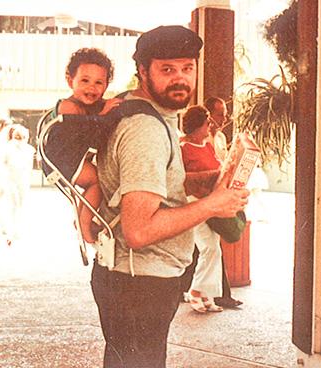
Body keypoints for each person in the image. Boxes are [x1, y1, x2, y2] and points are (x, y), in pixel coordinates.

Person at [91, 25, 250, 368]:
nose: (180, 79)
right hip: (139, 285)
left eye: (187, 68)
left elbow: (154, 184)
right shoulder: (146, 129)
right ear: (143, 71)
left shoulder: (147, 114)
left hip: (130, 281)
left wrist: (206, 180)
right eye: (167, 69)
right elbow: (139, 230)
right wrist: (212, 205)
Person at [56, 47, 121, 243]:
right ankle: (84, 224)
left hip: (71, 158)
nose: (91, 88)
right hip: (62, 159)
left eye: (99, 82)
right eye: (85, 81)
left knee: (93, 184)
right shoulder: (69, 106)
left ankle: (81, 219)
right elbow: (86, 133)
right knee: (97, 183)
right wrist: (104, 114)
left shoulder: (86, 105)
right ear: (70, 80)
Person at [180, 105, 224, 313]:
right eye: (207, 123)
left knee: (214, 246)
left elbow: (219, 168)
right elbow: (181, 179)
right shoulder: (183, 148)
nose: (210, 126)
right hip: (192, 202)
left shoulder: (207, 146)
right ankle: (196, 291)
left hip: (209, 200)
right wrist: (210, 175)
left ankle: (207, 293)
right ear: (197, 126)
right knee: (209, 247)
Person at [204, 96, 243, 308]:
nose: (224, 118)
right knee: (210, 247)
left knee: (210, 246)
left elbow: (224, 163)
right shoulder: (199, 139)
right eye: (220, 114)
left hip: (218, 193)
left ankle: (219, 294)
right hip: (204, 197)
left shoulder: (219, 138)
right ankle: (218, 294)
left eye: (226, 114)